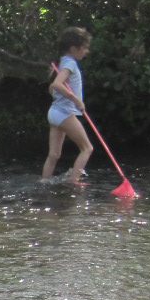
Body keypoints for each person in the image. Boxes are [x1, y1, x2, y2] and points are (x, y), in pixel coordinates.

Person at [42, 27, 94, 184]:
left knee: (54, 155)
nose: (86, 51)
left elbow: (53, 87)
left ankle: (44, 183)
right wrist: (76, 100)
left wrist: (56, 90)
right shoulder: (70, 63)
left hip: (54, 112)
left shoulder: (63, 62)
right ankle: (74, 182)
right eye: (84, 47)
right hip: (64, 113)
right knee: (87, 148)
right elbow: (57, 84)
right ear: (73, 48)